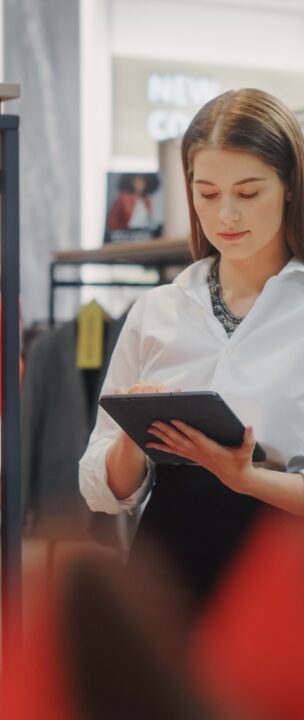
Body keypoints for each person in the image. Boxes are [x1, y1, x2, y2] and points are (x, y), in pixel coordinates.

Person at [80, 88, 304, 612]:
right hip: (166, 573)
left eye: (248, 193)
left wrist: (247, 479)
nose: (226, 214)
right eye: (206, 193)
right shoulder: (158, 310)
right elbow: (99, 488)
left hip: (280, 577)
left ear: (290, 186)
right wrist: (136, 436)